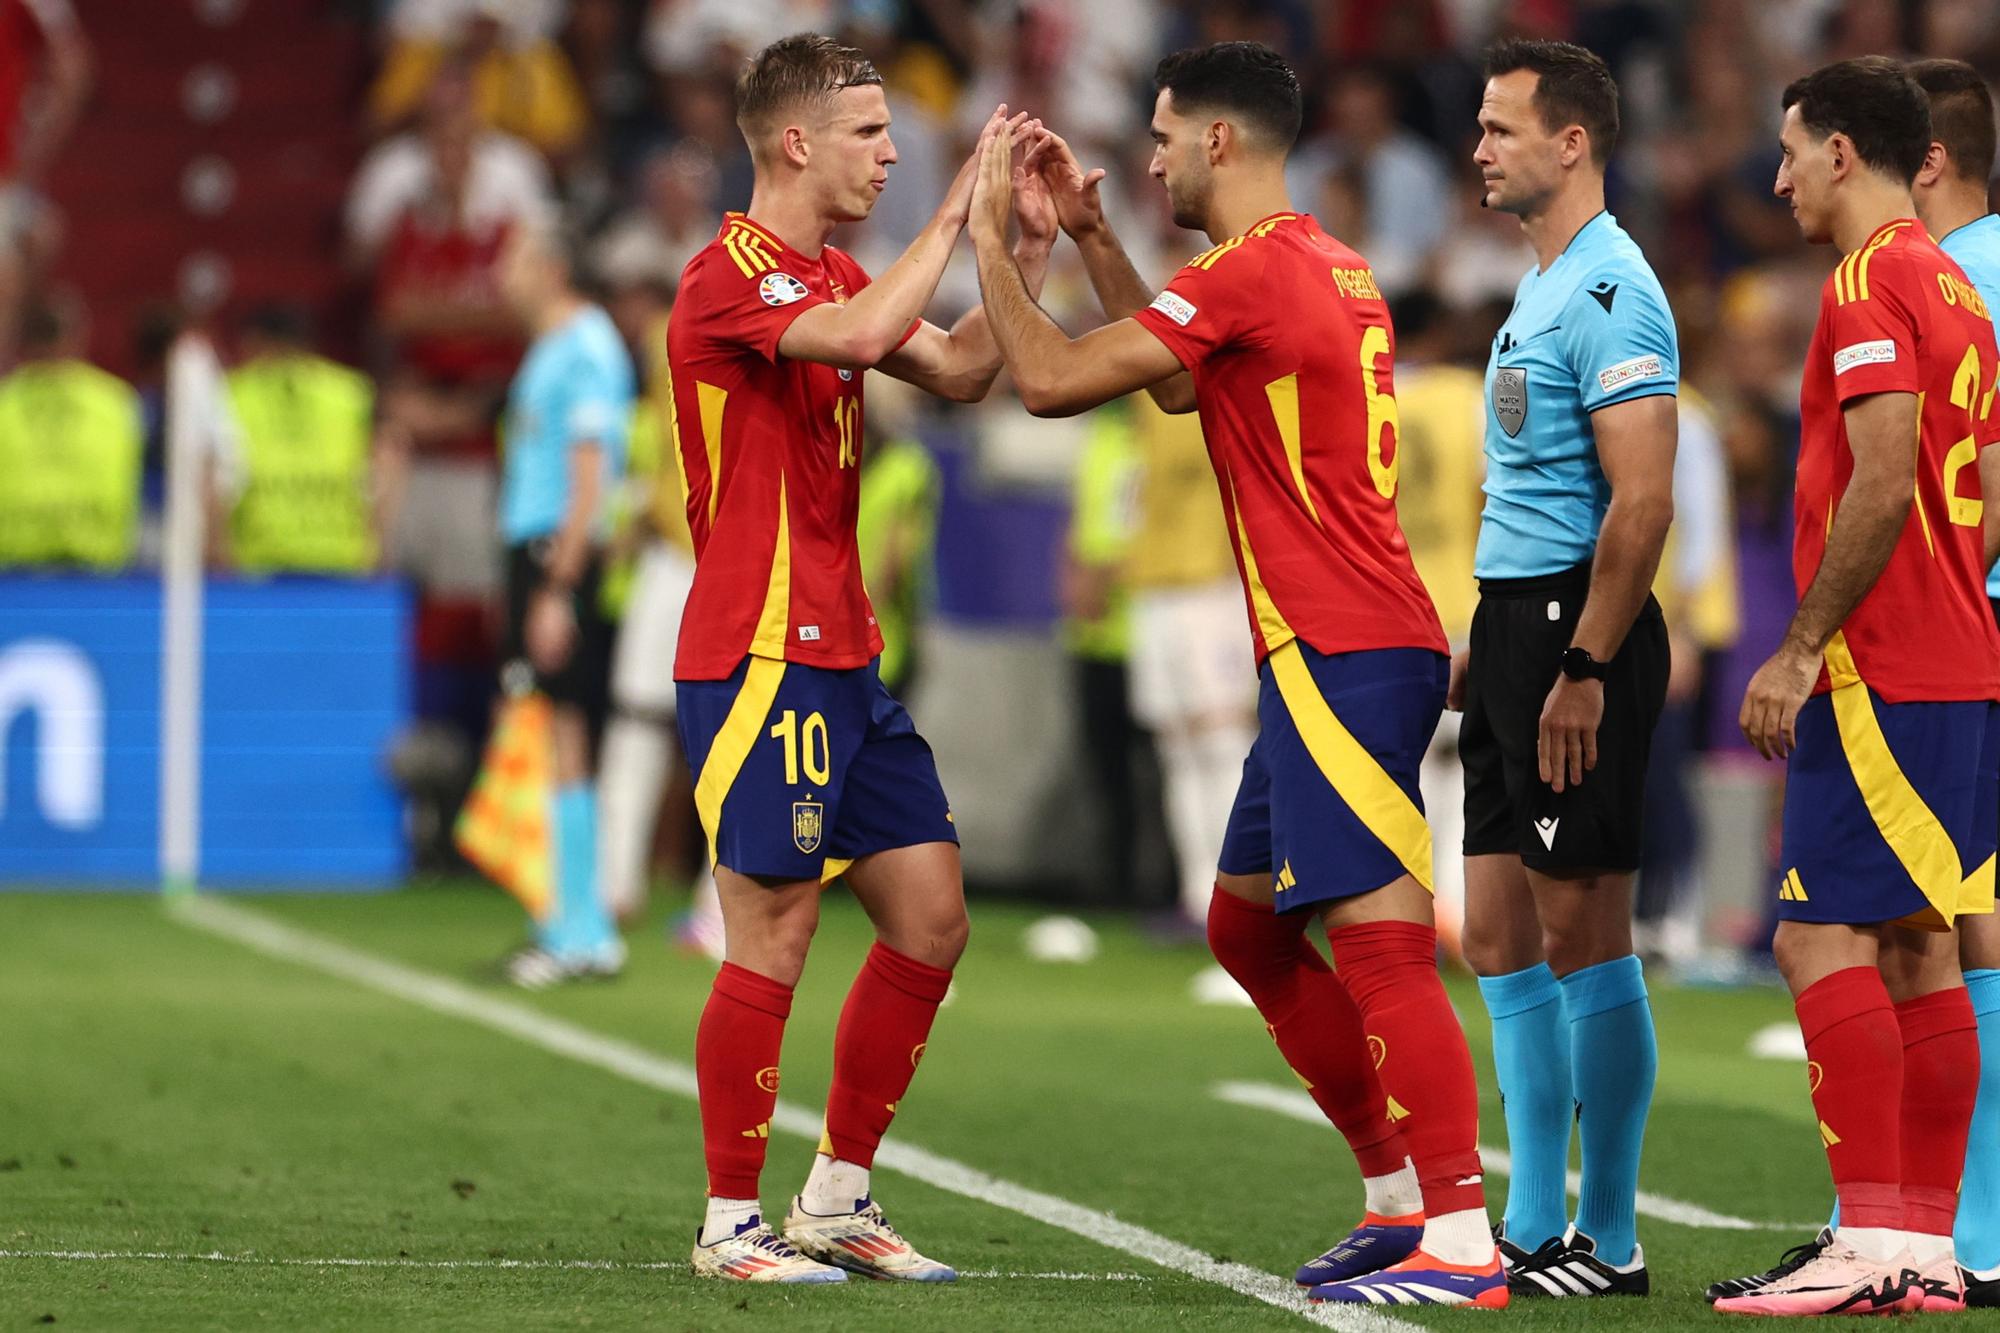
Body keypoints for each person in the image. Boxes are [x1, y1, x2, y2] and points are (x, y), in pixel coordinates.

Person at [970, 41, 1503, 1309]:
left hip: (1342, 646)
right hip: (1336, 640)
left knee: (1377, 945)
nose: (1146, 158)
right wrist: (1099, 246)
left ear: (1217, 141)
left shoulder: (1247, 275)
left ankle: (1461, 1237)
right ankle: (1392, 1199)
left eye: (1159, 137)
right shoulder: (1319, 262)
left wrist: (994, 239)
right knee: (1247, 928)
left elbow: (1047, 381)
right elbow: (1177, 391)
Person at [670, 35, 1055, 1284]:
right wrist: (954, 207)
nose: (893, 153)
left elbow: (956, 369)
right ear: (796, 142)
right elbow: (862, 332)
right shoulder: (725, 277)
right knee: (771, 930)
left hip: (843, 653)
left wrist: (1022, 250)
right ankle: (731, 1223)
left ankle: (836, 1195)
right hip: (759, 652)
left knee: (932, 919)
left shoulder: (831, 269)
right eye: (871, 133)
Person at [1705, 57, 2000, 1318]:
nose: (1775, 178)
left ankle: (1867, 1236)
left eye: (1789, 150)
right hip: (1954, 657)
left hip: (1880, 669)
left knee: (1812, 935)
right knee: (1919, 952)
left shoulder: (1873, 277)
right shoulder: (1955, 284)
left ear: (1843, 152)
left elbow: (1880, 478)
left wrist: (1800, 644)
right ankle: (1922, 1251)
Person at [1455, 39, 1678, 1299]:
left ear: (1570, 142)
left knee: (1582, 924)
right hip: (1512, 626)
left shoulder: (1610, 293)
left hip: (1572, 636)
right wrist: (1481, 631)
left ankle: (1610, 1235)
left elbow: (1637, 506)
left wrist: (1579, 661)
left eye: (1498, 127)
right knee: (1495, 930)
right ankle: (1529, 1221)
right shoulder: (1541, 285)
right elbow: (1534, 486)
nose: (1478, 146)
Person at [490, 220, 633, 988]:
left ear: (549, 267)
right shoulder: (554, 347)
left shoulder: (586, 348)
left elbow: (590, 479)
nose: (500, 274)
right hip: (536, 552)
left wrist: (555, 588)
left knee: (567, 734)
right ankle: (565, 919)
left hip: (556, 555)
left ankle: (584, 927)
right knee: (549, 734)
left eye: (512, 260)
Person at [219, 305, 385, 576]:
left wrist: (218, 549)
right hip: (342, 557)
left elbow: (210, 478)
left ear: (256, 343)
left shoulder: (231, 393)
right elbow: (388, 461)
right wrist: (376, 543)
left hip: (256, 562)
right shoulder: (352, 392)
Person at [0, 296, 140, 573]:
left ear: (22, 341)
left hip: (14, 574)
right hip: (96, 573)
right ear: (79, 337)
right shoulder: (117, 403)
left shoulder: (5, 403)